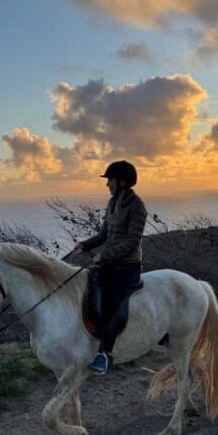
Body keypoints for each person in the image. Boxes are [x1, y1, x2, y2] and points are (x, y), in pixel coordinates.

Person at [73, 160, 148, 374]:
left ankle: (106, 355)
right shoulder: (112, 203)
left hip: (128, 267)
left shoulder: (137, 207)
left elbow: (132, 241)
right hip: (109, 263)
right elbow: (105, 234)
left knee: (112, 303)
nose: (107, 185)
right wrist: (86, 245)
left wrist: (104, 254)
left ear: (122, 182)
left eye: (110, 180)